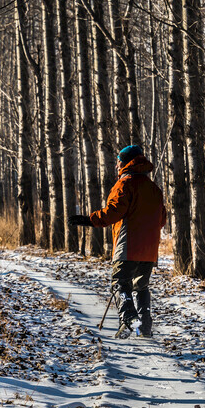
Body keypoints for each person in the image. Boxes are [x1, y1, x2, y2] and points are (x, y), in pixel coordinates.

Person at [69, 144, 166, 338]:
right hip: (149, 250)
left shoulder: (125, 183)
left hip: (128, 245)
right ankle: (145, 326)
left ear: (127, 162)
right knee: (141, 286)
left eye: (119, 161)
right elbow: (162, 219)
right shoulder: (154, 188)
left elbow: (114, 211)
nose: (117, 166)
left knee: (120, 284)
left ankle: (129, 320)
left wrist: (89, 220)